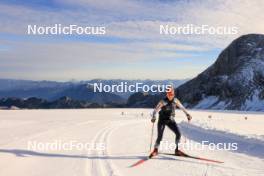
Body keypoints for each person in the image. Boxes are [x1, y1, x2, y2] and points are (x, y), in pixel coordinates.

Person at [150, 86, 192, 157]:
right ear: (167, 94)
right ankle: (155, 150)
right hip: (162, 120)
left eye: (171, 94)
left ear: (173, 94)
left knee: (178, 134)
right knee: (160, 136)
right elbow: (155, 110)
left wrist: (187, 114)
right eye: (169, 94)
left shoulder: (175, 101)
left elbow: (182, 107)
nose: (170, 96)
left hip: (170, 120)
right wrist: (154, 117)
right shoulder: (163, 101)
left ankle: (177, 150)